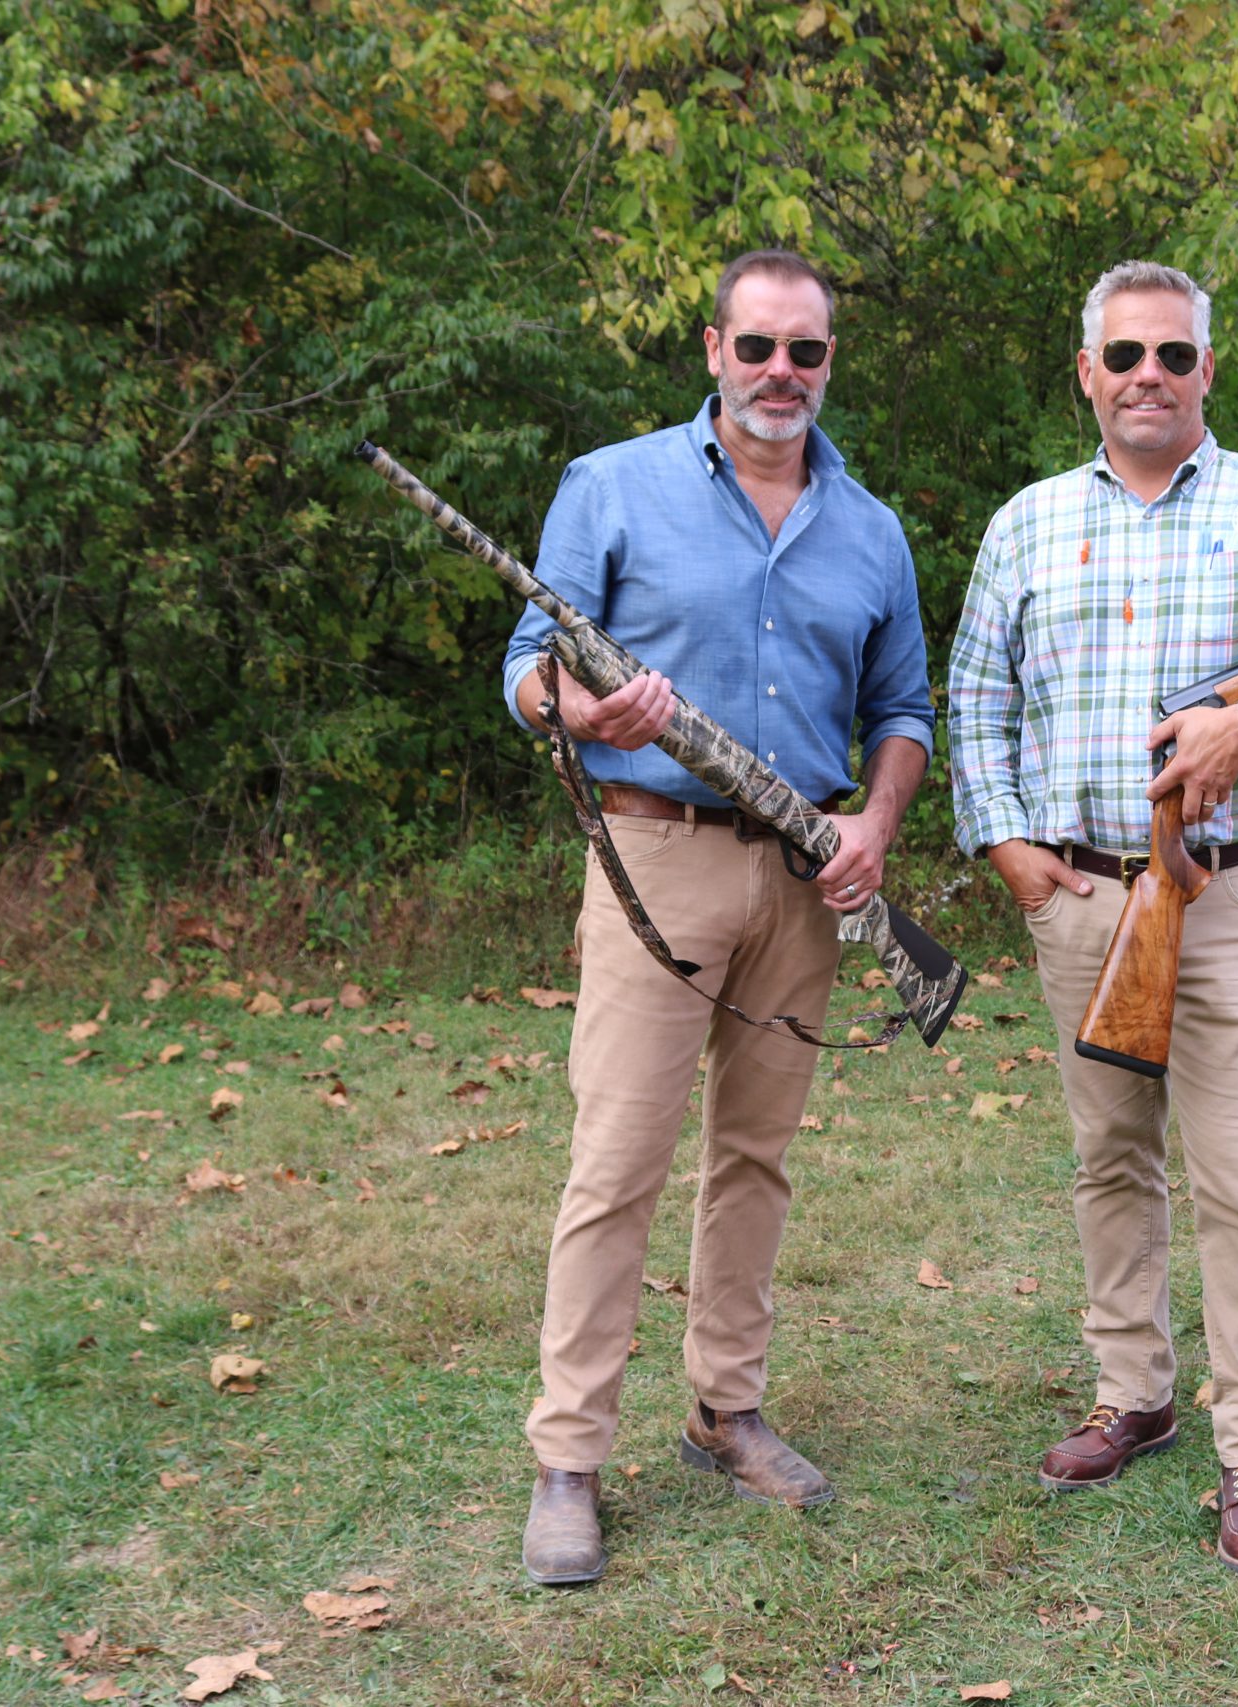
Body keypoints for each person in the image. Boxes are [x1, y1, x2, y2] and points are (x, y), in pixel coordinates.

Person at [945, 260, 1238, 1575]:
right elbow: (979, 696)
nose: (1150, 375)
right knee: (1109, 1159)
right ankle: (1134, 1393)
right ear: (1088, 373)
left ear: (1210, 370)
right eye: (1126, 356)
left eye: (1174, 356)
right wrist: (1010, 847)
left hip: (1234, 891)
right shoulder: (1027, 523)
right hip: (1084, 891)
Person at [497, 249, 933, 1588]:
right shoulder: (609, 485)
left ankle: (724, 1412)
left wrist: (872, 827)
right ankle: (569, 1457)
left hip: (805, 881)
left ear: (828, 367)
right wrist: (579, 711)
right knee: (616, 1164)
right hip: (657, 857)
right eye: (759, 348)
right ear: (712, 348)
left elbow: (902, 712)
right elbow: (525, 672)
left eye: (806, 353)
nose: (781, 375)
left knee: (756, 1159)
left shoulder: (869, 526)